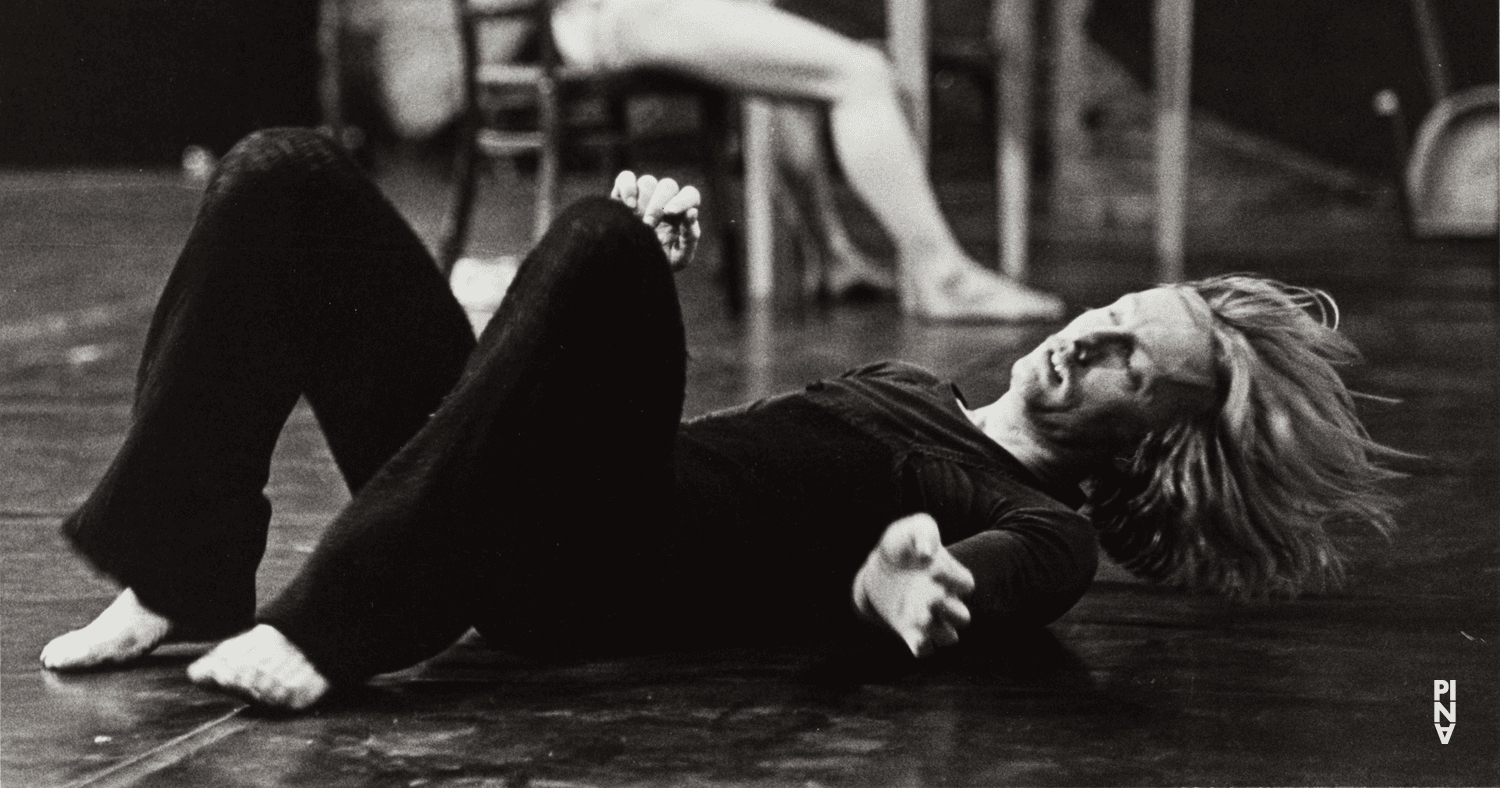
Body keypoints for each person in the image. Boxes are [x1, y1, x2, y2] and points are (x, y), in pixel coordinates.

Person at [41, 130, 1402, 711]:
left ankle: (336, 620)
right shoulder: (919, 392)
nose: (1090, 335)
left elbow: (983, 588)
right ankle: (188, 567)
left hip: (593, 565)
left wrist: (907, 583)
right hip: (535, 490)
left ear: (1148, 437)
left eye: (1129, 367)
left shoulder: (1040, 521)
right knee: (287, 175)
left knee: (605, 241)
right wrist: (554, 308)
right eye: (1116, 311)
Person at [550, 0, 1151, 321]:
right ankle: (945, 273)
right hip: (623, 8)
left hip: (595, 11)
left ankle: (831, 257)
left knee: (792, 78)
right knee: (860, 73)